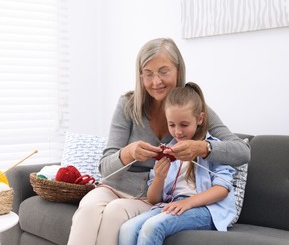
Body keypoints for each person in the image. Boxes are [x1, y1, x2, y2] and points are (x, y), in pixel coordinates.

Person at [67, 37, 250, 245]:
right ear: (140, 76)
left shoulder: (194, 111)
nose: (156, 82)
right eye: (148, 74)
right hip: (113, 187)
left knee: (115, 214)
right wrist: (128, 153)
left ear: (178, 71)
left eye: (164, 72)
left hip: (151, 196)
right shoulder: (128, 105)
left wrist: (202, 147)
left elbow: (242, 152)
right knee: (88, 209)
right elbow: (105, 168)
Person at [118, 82, 237, 245]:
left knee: (153, 226)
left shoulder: (212, 148)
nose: (177, 131)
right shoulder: (168, 150)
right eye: (171, 125)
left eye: (184, 125)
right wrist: (159, 178)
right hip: (173, 205)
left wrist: (187, 203)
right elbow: (153, 199)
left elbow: (222, 189)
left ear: (200, 119)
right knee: (127, 228)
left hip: (206, 209)